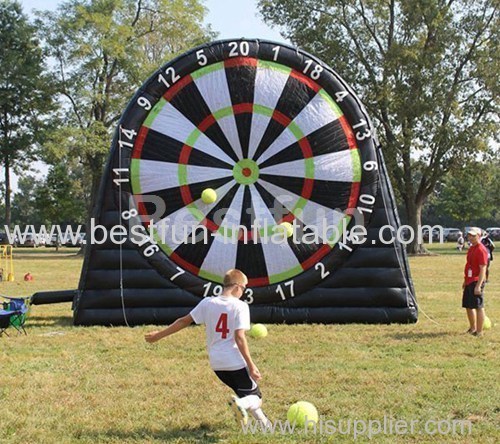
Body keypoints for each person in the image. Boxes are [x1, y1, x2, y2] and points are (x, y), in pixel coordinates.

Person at [145, 269, 270, 426]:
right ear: (238, 286)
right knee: (256, 398)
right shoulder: (240, 306)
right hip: (234, 361)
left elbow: (184, 321)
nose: (243, 292)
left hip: (216, 363)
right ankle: (241, 405)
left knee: (245, 393)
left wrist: (159, 335)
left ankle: (266, 426)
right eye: (244, 288)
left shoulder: (207, 303)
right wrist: (251, 365)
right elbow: (239, 337)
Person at [462, 227, 489, 337]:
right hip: (469, 280)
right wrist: (465, 280)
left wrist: (478, 286)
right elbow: (469, 265)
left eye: (473, 235)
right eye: (469, 235)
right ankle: (472, 328)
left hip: (476, 281)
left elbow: (483, 268)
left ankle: (479, 331)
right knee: (468, 305)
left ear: (479, 236)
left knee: (478, 306)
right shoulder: (471, 248)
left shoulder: (481, 249)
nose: (471, 238)